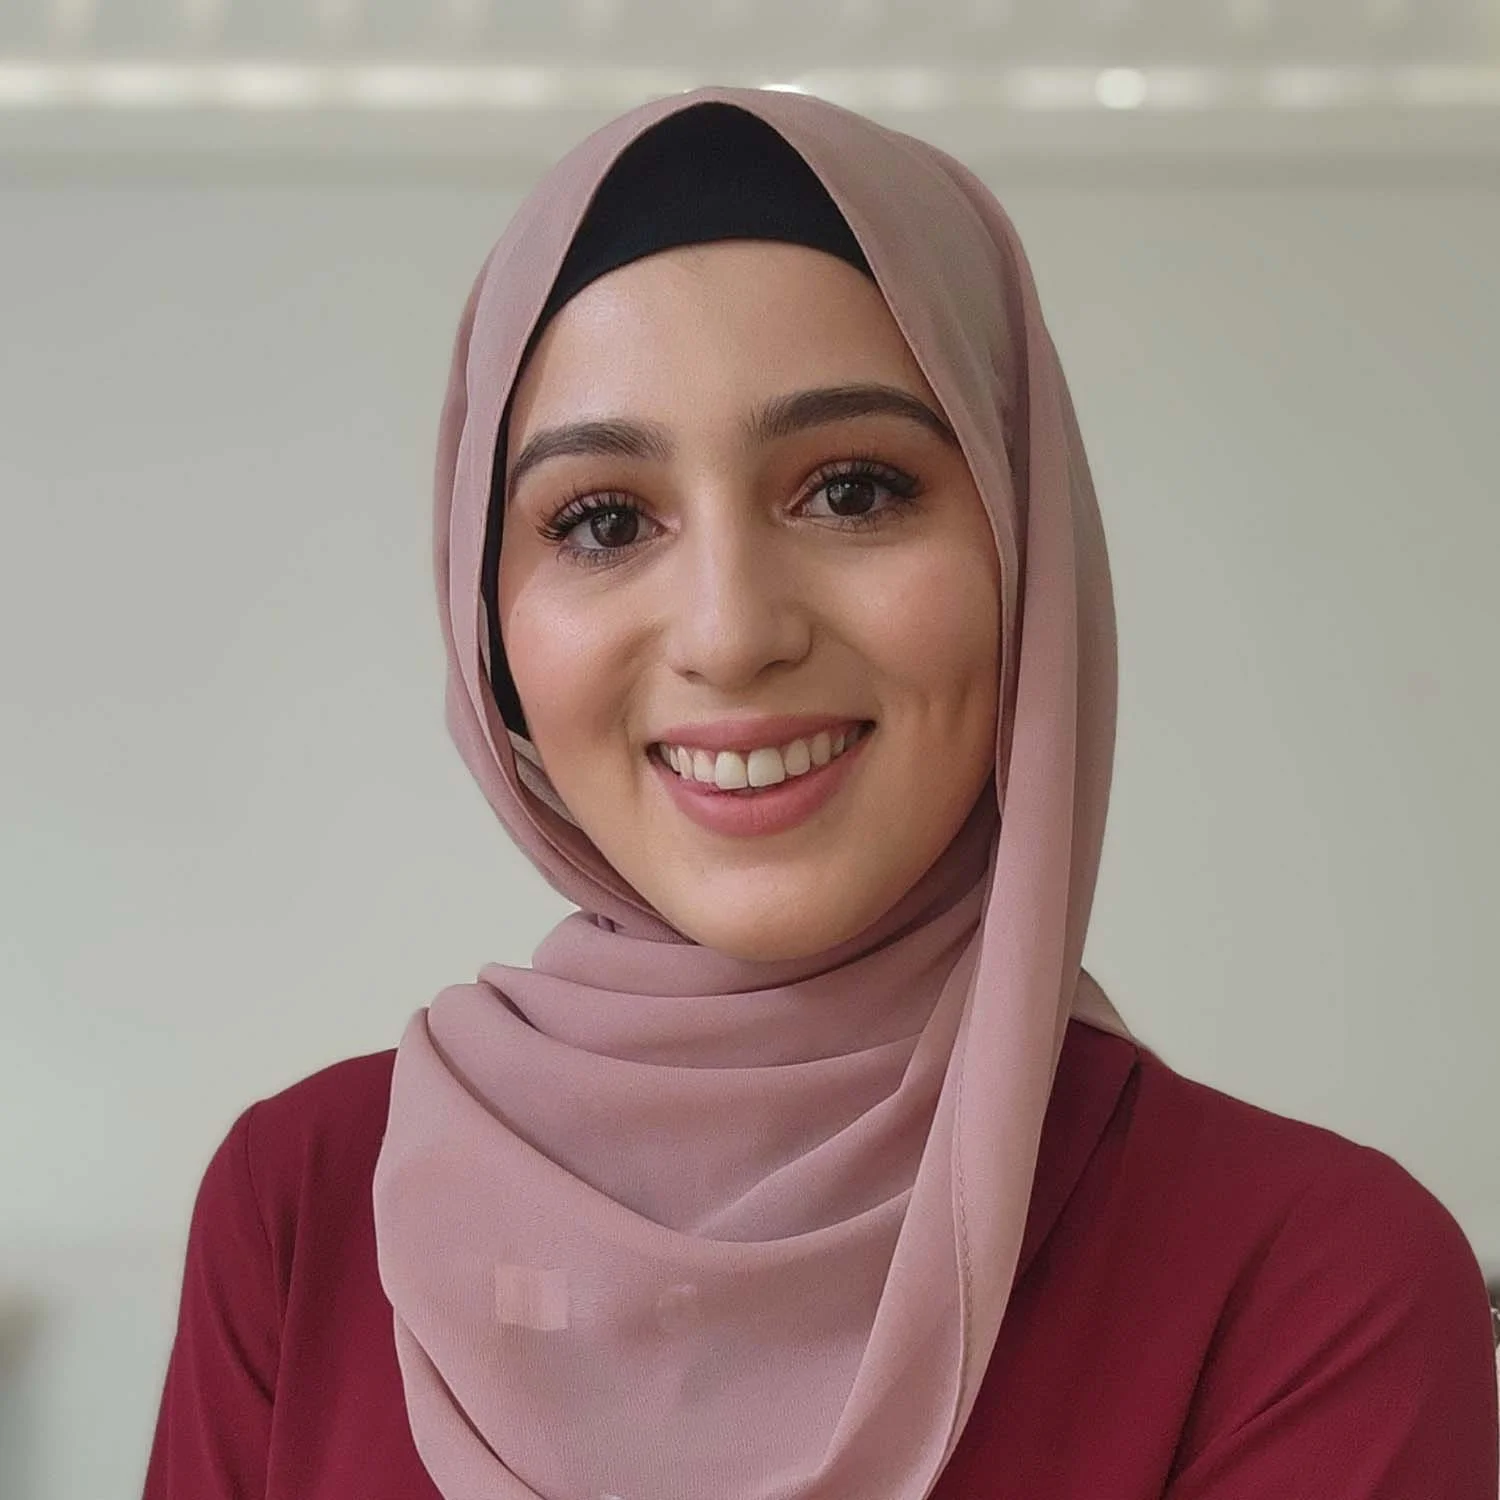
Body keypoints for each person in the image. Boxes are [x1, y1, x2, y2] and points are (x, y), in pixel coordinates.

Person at [142, 88, 1499, 1500]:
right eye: (604, 519)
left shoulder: (1312, 1293)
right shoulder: (303, 1211)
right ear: (489, 631)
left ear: (1023, 556)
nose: (731, 632)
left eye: (852, 492)